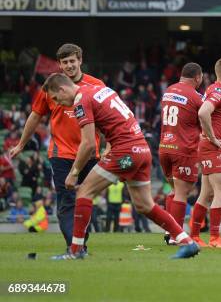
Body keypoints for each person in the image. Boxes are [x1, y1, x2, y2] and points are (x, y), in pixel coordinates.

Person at [41, 74, 198, 260]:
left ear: (62, 89)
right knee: (144, 205)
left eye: (56, 98)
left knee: (83, 192)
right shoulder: (100, 89)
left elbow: (89, 144)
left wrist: (74, 172)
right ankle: (188, 242)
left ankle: (75, 252)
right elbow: (112, 119)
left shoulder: (80, 100)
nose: (58, 103)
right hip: (141, 150)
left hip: (125, 152)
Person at [9, 44, 104, 253]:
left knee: (84, 199)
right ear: (59, 64)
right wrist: (21, 144)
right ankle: (75, 246)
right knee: (66, 202)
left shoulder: (96, 85)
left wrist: (111, 145)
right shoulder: (51, 87)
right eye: (65, 62)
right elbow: (35, 115)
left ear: (80, 60)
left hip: (89, 153)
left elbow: (107, 117)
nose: (69, 65)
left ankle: (79, 244)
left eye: (72, 61)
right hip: (60, 154)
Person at [190, 57, 221, 248]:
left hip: (210, 148)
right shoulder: (218, 91)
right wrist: (211, 137)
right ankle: (214, 238)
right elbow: (203, 112)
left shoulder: (218, 90)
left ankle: (194, 236)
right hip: (213, 148)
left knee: (206, 193)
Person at [158, 63, 205, 245]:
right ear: (197, 78)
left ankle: (168, 230)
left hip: (164, 147)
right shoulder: (195, 96)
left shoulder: (169, 90)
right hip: (183, 149)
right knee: (182, 193)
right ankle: (175, 236)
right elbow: (204, 118)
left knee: (174, 190)